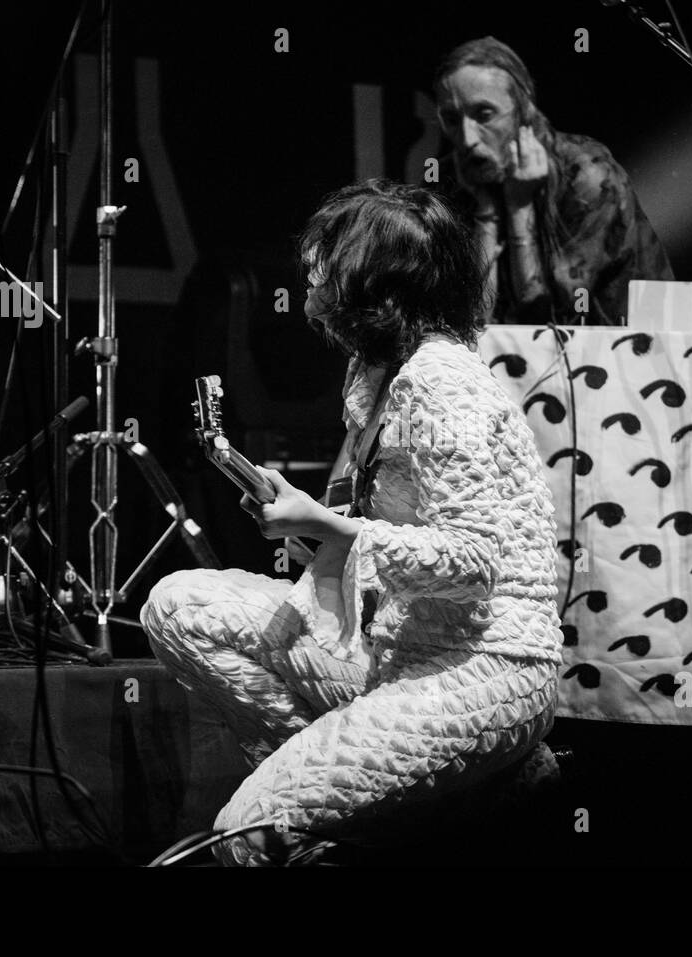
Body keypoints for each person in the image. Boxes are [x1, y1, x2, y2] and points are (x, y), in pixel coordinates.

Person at [141, 179, 564, 865]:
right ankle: (384, 792)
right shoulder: (372, 375)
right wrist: (311, 520)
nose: (308, 273)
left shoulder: (440, 379)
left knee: (248, 834)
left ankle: (398, 803)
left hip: (486, 667)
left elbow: (474, 560)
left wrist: (333, 530)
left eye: (324, 260)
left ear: (375, 283)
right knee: (179, 606)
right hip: (393, 649)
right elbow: (385, 533)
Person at [434, 36, 674, 326]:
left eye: (484, 115)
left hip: (627, 355)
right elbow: (463, 322)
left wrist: (519, 207)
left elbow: (550, 320)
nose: (468, 139)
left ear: (523, 111)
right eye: (451, 119)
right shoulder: (450, 182)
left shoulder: (587, 175)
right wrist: (486, 212)